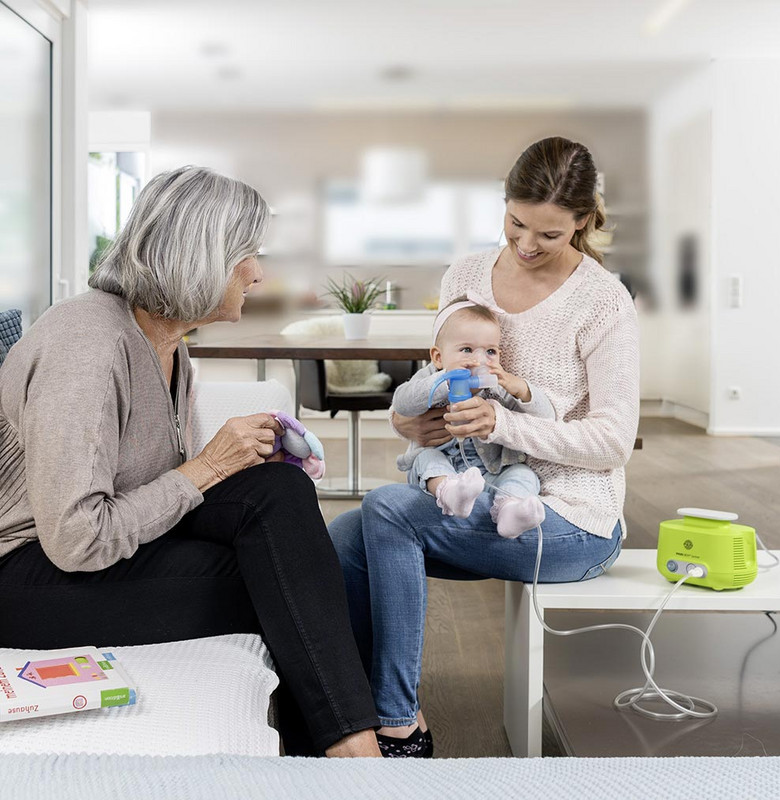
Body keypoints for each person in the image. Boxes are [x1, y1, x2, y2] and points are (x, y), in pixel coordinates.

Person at [0, 166, 381, 758]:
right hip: (27, 576)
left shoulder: (166, 342)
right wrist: (207, 467)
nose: (258, 272)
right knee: (287, 581)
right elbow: (75, 538)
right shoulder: (88, 349)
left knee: (279, 493)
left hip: (92, 555)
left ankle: (343, 751)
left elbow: (143, 482)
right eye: (247, 254)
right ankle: (353, 759)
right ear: (201, 256)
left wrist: (236, 465)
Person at [329, 136, 640, 758]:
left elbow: (612, 441)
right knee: (343, 536)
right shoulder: (467, 274)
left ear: (582, 221)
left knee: (388, 511)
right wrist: (413, 423)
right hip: (475, 488)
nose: (525, 245)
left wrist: (501, 426)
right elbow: (435, 378)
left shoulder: (604, 301)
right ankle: (352, 707)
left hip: (568, 518)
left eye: (549, 235)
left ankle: (397, 725)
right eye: (516, 222)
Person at [393, 294, 554, 538]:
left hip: (490, 470)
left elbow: (547, 418)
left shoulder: (496, 385)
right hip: (441, 466)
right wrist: (444, 381)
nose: (479, 360)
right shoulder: (431, 377)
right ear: (438, 357)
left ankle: (510, 510)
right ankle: (450, 493)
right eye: (467, 349)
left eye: (490, 351)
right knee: (426, 458)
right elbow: (402, 403)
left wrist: (521, 388)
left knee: (522, 474)